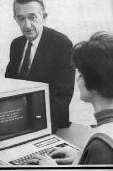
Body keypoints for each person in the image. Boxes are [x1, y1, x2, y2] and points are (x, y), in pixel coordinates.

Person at [29, 31, 113, 165]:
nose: (77, 78)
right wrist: (82, 157)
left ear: (96, 85)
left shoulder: (100, 145)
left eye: (81, 73)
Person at [5, 0, 75, 133]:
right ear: (15, 19)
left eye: (32, 17)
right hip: (19, 121)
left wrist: (39, 129)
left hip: (50, 124)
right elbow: (9, 84)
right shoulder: (16, 44)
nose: (27, 25)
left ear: (44, 17)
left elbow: (62, 95)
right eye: (21, 18)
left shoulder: (62, 44)